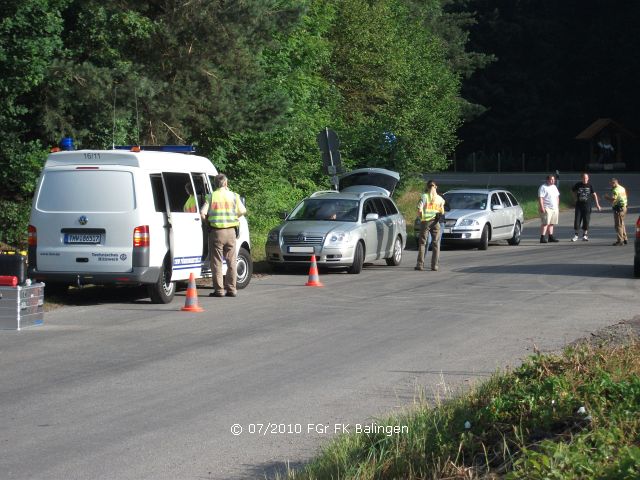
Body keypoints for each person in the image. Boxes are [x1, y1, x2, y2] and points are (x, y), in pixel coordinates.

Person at [200, 174, 247, 297]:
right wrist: (233, 217)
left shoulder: (211, 196)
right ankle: (232, 289)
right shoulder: (234, 196)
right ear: (226, 183)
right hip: (231, 232)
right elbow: (243, 211)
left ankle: (219, 290)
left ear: (215, 184)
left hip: (216, 233)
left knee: (216, 262)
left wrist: (208, 223)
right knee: (231, 261)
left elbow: (202, 213)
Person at [415, 180, 445, 271]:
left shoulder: (424, 197)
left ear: (427, 187)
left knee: (422, 244)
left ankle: (420, 265)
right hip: (436, 223)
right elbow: (442, 212)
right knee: (436, 244)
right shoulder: (440, 199)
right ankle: (434, 266)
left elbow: (419, 210)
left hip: (425, 222)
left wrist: (421, 218)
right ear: (436, 187)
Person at [570, 172, 601, 242]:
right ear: (582, 178)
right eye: (584, 178)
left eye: (586, 178)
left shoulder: (590, 185)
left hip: (587, 206)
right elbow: (572, 191)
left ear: (588, 178)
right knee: (577, 220)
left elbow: (594, 195)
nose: (585, 179)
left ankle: (585, 235)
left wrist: (597, 205)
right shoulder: (578, 185)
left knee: (586, 221)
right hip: (579, 206)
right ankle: (576, 235)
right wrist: (575, 198)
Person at [604, 178, 628, 246]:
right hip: (624, 207)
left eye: (611, 184)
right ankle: (625, 238)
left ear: (614, 183)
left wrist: (607, 197)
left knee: (618, 225)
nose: (611, 185)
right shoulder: (622, 188)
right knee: (622, 223)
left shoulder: (615, 190)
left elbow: (613, 200)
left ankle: (620, 240)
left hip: (618, 209)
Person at [538, 174, 560, 243]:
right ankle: (542, 237)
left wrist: (557, 206)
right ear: (547, 180)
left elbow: (557, 197)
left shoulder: (554, 187)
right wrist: (542, 207)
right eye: (551, 179)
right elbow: (540, 198)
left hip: (554, 208)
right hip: (547, 208)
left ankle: (550, 237)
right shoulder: (543, 187)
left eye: (554, 180)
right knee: (545, 223)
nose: (553, 181)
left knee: (552, 223)